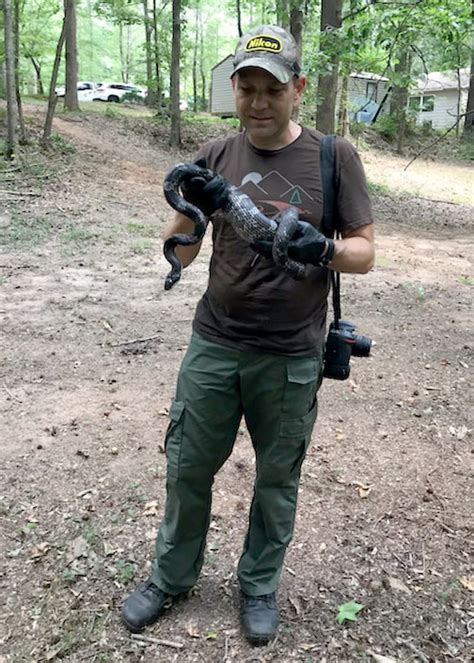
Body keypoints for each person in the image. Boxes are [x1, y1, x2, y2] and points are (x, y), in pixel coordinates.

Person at [122, 24, 375, 645]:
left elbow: (365, 253)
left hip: (290, 354)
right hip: (215, 343)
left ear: (298, 90)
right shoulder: (215, 155)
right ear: (234, 90)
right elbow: (178, 242)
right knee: (187, 466)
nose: (259, 102)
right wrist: (183, 233)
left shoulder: (332, 156)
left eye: (272, 88)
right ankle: (170, 577)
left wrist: (326, 248)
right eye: (247, 88)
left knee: (276, 476)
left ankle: (259, 585)